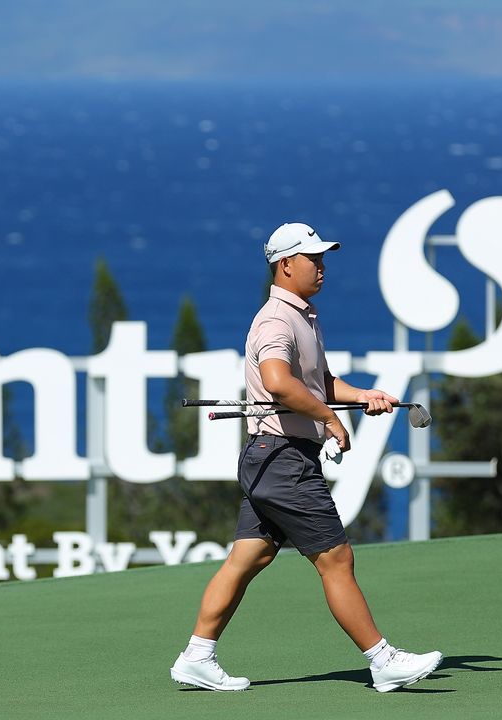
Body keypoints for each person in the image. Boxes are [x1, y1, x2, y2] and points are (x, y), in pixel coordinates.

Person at [169, 222, 443, 693]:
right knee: (335, 558)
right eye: (312, 259)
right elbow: (277, 381)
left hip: (270, 457)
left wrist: (362, 397)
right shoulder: (276, 320)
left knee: (247, 558)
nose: (321, 267)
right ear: (285, 264)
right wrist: (331, 421)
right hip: (283, 459)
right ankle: (382, 661)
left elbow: (321, 384)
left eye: (323, 258)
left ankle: (197, 655)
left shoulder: (304, 316)